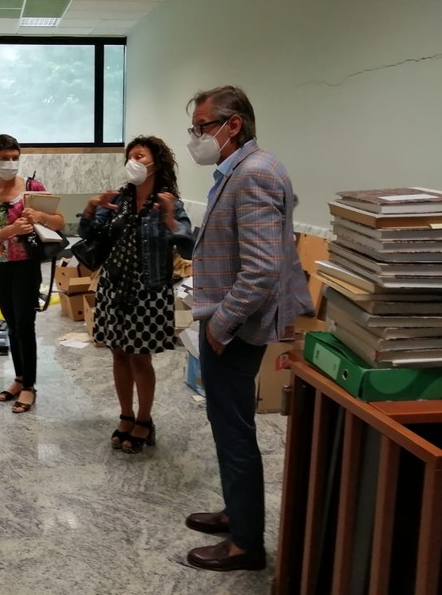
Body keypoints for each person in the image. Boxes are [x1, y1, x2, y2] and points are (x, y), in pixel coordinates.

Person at [183, 86, 312, 571]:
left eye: (201, 127)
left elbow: (261, 269)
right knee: (226, 423)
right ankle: (237, 512)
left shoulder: (254, 173)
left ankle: (245, 544)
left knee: (234, 429)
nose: (196, 137)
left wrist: (220, 325)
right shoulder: (242, 169)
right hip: (228, 318)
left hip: (236, 326)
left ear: (232, 125)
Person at [79, 136, 195, 453]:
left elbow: (189, 248)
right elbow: (87, 235)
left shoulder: (169, 203)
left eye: (140, 155)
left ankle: (144, 420)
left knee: (140, 358)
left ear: (156, 163)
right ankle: (126, 416)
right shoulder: (118, 200)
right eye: (130, 156)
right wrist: (91, 209)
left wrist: (169, 219)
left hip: (148, 291)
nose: (133, 161)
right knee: (118, 353)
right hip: (113, 287)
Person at [0, 134, 65, 413]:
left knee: (25, 324)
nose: (10, 163)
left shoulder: (32, 188)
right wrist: (10, 230)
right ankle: (19, 378)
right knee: (12, 324)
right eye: (4, 158)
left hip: (26, 265)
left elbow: (59, 221)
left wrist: (41, 216)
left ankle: (29, 386)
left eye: (15, 158)